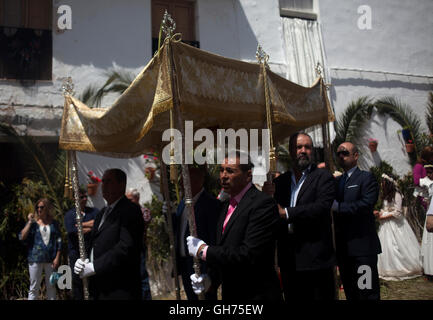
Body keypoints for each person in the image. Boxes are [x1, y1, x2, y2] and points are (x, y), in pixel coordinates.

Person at [186, 151, 282, 300]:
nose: (223, 176)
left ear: (248, 175)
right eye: (221, 170)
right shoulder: (225, 207)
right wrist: (210, 280)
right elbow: (225, 249)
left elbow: (248, 254)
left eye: (230, 171)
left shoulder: (262, 204)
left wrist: (205, 251)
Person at [263, 132, 336, 301]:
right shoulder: (280, 182)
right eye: (298, 147)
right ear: (290, 151)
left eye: (307, 147)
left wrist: (286, 213)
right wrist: (266, 198)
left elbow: (321, 208)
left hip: (316, 258)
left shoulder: (322, 177)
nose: (303, 151)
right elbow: (272, 215)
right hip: (289, 259)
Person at [74, 168, 144, 300]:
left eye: (109, 181)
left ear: (121, 184)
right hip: (100, 285)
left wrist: (95, 266)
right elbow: (94, 242)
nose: (103, 186)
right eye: (103, 181)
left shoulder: (130, 210)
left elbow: (125, 247)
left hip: (120, 286)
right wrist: (84, 260)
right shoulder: (101, 213)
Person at [332, 142, 382, 300]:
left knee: (366, 291)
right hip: (344, 250)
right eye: (338, 153)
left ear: (355, 156)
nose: (341, 156)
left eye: (345, 153)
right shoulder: (337, 182)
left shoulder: (366, 178)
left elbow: (366, 205)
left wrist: (339, 207)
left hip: (362, 250)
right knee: (351, 292)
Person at [169, 165, 220, 300]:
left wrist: (210, 273)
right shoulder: (182, 204)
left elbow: (214, 239)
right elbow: (178, 231)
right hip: (185, 264)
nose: (181, 182)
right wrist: (169, 215)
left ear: (199, 179)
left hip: (201, 265)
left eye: (186, 177)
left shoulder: (211, 204)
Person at [374, 173, 422, 280]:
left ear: (388, 183)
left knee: (396, 246)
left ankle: (402, 267)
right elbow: (387, 209)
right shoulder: (386, 195)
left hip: (396, 225)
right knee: (386, 247)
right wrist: (380, 213)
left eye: (383, 182)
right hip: (386, 225)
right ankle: (386, 267)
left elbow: (398, 213)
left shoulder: (397, 194)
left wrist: (384, 216)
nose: (382, 184)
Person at [19, 198, 62, 300]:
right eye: (37, 207)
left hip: (50, 259)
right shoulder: (33, 224)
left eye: (41, 207)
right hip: (35, 259)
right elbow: (21, 236)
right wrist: (29, 222)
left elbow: (59, 241)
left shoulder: (54, 223)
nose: (39, 209)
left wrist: (57, 257)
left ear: (46, 208)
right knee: (34, 287)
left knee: (51, 286)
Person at [64, 188, 98, 300]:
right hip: (75, 252)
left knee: (93, 279)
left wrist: (80, 224)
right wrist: (90, 226)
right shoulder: (70, 214)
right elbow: (72, 230)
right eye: (81, 197)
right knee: (77, 280)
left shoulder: (93, 211)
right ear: (75, 199)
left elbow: (98, 224)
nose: (84, 199)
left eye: (85, 197)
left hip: (91, 251)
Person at [125, 188, 152, 300]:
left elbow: (142, 223)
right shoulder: (127, 212)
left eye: (130, 199)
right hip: (127, 248)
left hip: (138, 247)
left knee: (142, 275)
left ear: (137, 199)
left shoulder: (143, 211)